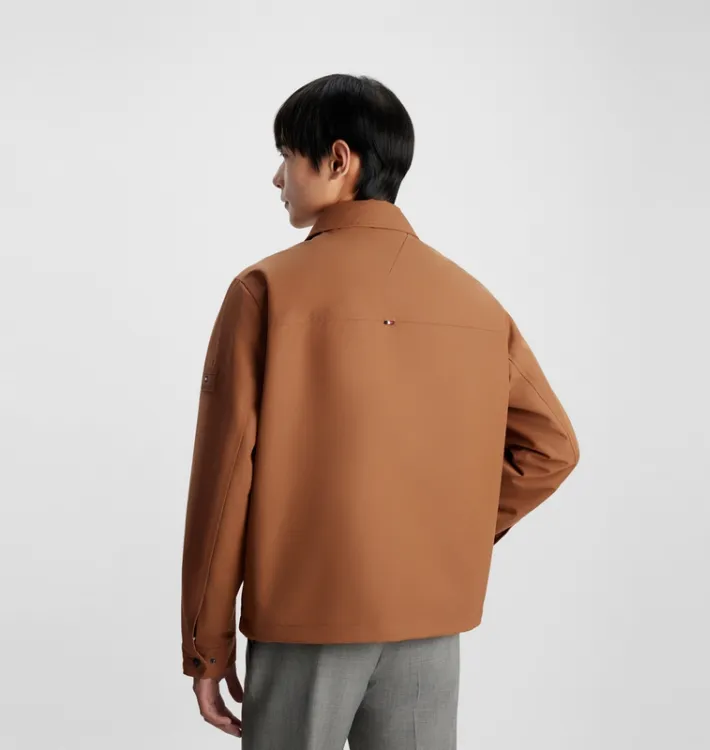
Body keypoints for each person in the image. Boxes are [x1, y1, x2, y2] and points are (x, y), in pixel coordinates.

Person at [180, 73, 580, 749]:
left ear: (338, 160)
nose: (277, 178)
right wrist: (443, 531)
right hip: (430, 627)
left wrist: (206, 647)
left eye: (286, 156)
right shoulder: (475, 301)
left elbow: (223, 490)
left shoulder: (265, 291)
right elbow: (552, 449)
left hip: (305, 619)